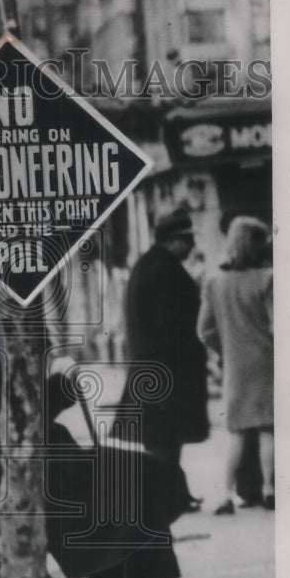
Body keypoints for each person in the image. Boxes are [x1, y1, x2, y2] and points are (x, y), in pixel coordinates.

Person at [0, 256, 201, 578]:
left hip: (10, 479)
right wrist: (56, 391)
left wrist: (53, 388)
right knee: (143, 471)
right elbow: (4, 437)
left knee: (134, 469)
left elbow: (9, 419)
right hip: (17, 485)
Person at [118, 206, 210, 510]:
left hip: (154, 368)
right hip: (169, 371)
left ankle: (175, 495)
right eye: (188, 240)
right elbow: (171, 325)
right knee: (165, 439)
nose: (192, 246)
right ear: (173, 240)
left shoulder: (149, 265)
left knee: (164, 438)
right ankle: (166, 498)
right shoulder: (165, 270)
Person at [197, 216, 274, 513]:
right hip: (267, 361)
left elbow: (204, 330)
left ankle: (226, 495)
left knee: (237, 433)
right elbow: (275, 324)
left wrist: (225, 350)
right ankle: (269, 489)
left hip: (236, 366)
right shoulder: (267, 279)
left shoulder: (215, 283)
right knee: (268, 429)